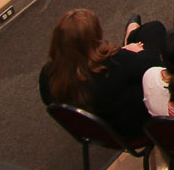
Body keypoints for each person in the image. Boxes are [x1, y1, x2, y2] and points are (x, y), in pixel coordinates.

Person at [39, 8, 166, 139]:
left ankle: (131, 34)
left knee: (150, 30)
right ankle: (131, 35)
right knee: (155, 29)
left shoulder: (48, 74)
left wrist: (125, 53)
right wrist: (134, 51)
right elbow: (155, 65)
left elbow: (49, 101)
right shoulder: (113, 63)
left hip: (94, 131)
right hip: (134, 129)